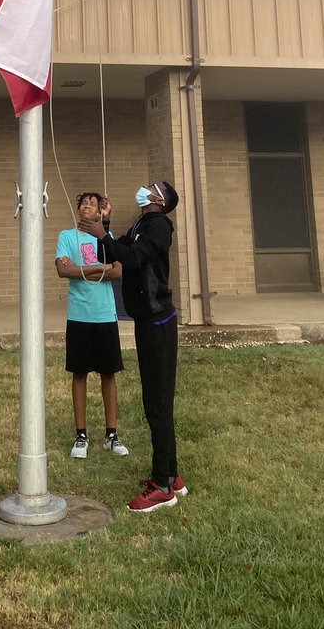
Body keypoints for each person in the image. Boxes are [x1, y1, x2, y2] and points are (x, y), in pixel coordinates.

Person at [80, 179, 187, 513]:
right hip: (146, 321)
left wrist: (103, 235)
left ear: (159, 199)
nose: (142, 187)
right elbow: (114, 251)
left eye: (150, 187)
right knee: (155, 399)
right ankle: (171, 474)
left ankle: (162, 486)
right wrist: (106, 226)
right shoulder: (142, 223)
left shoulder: (158, 227)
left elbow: (133, 257)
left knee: (157, 401)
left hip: (157, 322)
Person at [55, 192, 130, 460]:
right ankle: (81, 435)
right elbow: (63, 271)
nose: (87, 206)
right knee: (79, 373)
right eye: (83, 203)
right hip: (79, 314)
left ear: (100, 212)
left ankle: (111, 434)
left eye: (93, 204)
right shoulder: (66, 236)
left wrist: (83, 269)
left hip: (105, 314)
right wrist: (101, 268)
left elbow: (119, 271)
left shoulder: (105, 239)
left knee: (108, 374)